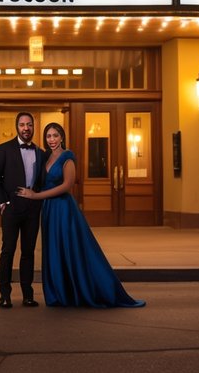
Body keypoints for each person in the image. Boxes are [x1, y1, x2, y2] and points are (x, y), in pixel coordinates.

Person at [17, 123, 144, 308]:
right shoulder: (45, 157)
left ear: (62, 137)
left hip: (64, 210)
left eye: (55, 135)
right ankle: (59, 293)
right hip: (49, 212)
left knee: (72, 250)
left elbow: (67, 186)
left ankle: (82, 291)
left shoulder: (68, 157)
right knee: (54, 250)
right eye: (48, 136)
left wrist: (35, 196)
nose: (51, 140)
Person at [0, 111, 45, 308]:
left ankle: (28, 295)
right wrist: (3, 202)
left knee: (28, 252)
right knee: (8, 250)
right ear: (16, 127)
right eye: (22, 124)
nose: (26, 128)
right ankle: (5, 295)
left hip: (32, 209)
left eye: (29, 124)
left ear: (33, 127)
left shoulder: (40, 152)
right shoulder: (3, 149)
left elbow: (43, 181)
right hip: (11, 209)